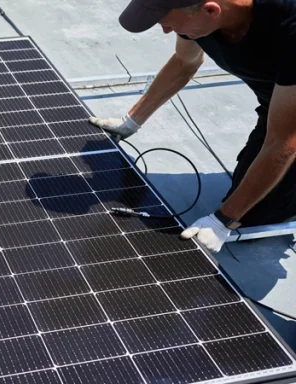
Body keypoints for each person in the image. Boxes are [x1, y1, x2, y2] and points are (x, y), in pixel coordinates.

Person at [89, 0, 296, 253]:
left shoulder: (289, 27)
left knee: (252, 217)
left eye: (168, 21)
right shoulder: (197, 20)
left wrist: (223, 220)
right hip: (278, 101)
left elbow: (284, 141)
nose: (165, 30)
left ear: (210, 10)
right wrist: (131, 121)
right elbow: (185, 62)